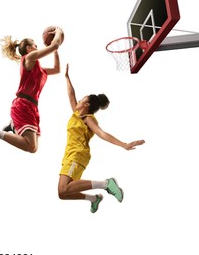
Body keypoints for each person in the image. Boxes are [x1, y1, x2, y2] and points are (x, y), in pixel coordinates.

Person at [58, 64, 145, 213]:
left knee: (64, 188)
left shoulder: (87, 118)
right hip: (69, 155)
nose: (77, 101)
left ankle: (107, 184)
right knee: (63, 193)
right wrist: (67, 77)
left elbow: (101, 133)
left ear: (86, 105)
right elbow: (71, 95)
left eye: (81, 100)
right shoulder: (77, 114)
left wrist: (123, 144)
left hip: (77, 154)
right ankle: (94, 199)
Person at [0, 27, 64, 153]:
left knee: (33, 148)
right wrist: (58, 32)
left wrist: (54, 48)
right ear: (29, 49)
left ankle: (13, 126)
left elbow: (57, 69)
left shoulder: (40, 70)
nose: (38, 48)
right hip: (23, 104)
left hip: (32, 107)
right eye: (35, 46)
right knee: (30, 146)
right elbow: (54, 46)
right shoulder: (29, 58)